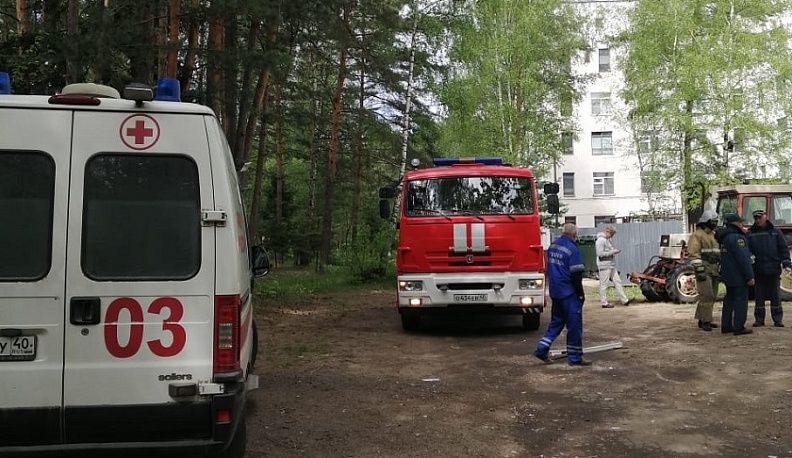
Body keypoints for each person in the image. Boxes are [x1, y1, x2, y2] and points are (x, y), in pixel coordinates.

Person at [533, 223, 591, 366]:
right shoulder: (572, 248)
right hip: (569, 293)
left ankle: (541, 349)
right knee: (574, 326)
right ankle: (575, 357)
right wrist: (581, 294)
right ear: (574, 234)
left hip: (556, 292)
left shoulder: (553, 246)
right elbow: (576, 274)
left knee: (556, 322)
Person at [747, 209, 791, 327]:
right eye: (755, 218)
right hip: (758, 269)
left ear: (765, 217)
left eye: (759, 217)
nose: (757, 220)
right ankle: (759, 319)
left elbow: (783, 248)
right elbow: (747, 248)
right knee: (759, 296)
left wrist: (786, 263)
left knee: (775, 295)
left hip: (773, 269)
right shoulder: (750, 233)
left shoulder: (776, 232)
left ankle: (777, 319)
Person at [715, 213, 755, 335]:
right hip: (739, 276)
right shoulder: (737, 238)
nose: (742, 224)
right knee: (741, 301)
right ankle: (739, 327)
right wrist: (749, 276)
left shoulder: (724, 238)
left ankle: (726, 326)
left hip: (728, 275)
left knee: (729, 301)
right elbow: (743, 259)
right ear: (735, 223)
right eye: (740, 222)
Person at [688, 210, 721, 331]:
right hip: (704, 268)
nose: (715, 223)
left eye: (716, 221)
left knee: (712, 296)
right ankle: (706, 321)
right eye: (713, 221)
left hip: (714, 269)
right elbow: (693, 254)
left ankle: (703, 319)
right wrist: (700, 269)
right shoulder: (697, 235)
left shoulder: (714, 234)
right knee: (706, 295)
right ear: (706, 221)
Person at [595, 225, 630, 308]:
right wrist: (612, 252)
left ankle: (624, 300)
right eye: (612, 234)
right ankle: (604, 302)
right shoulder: (600, 241)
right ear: (608, 232)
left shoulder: (608, 240)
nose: (612, 236)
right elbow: (600, 254)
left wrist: (613, 251)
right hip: (604, 265)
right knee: (604, 284)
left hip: (611, 265)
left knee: (618, 281)